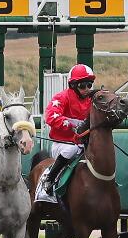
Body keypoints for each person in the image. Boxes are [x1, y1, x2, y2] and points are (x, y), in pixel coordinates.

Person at [41, 64, 95, 194]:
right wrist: (71, 125)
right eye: (82, 86)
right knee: (72, 149)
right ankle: (49, 178)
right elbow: (50, 117)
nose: (87, 89)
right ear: (73, 85)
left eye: (89, 85)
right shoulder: (62, 97)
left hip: (83, 143)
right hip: (63, 144)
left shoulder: (91, 100)